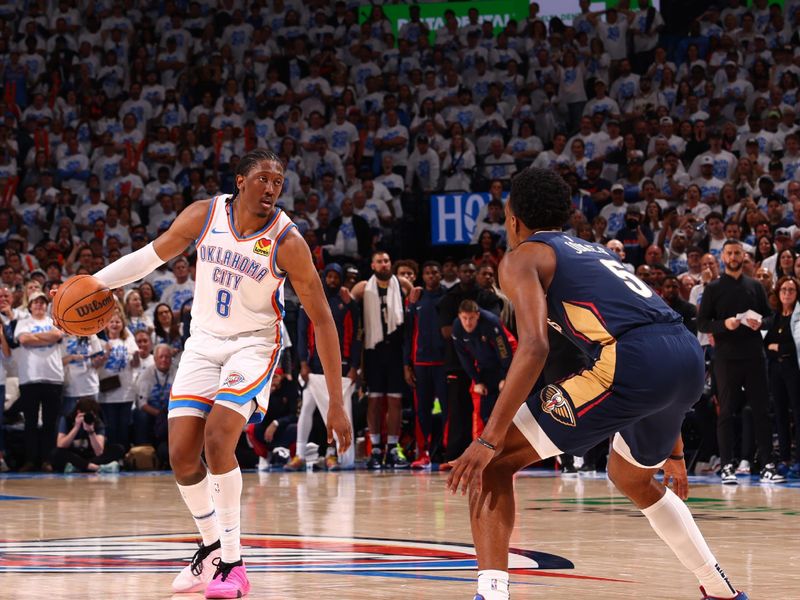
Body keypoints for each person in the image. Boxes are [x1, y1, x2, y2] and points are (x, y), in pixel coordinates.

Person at [445, 167, 748, 600]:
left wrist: (490, 438)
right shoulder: (592, 251)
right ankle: (722, 592)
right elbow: (657, 335)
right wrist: (674, 451)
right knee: (631, 476)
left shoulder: (521, 258)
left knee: (494, 464)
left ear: (512, 219)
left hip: (635, 359)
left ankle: (490, 595)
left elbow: (533, 346)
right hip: (685, 357)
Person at [83, 149, 351, 598]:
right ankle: (209, 549)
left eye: (278, 182)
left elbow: (323, 320)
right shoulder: (206, 214)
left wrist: (337, 405)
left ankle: (233, 562)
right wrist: (92, 284)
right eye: (263, 178)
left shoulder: (288, 242)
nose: (271, 188)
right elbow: (149, 257)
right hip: (204, 343)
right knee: (183, 457)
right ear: (241, 181)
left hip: (253, 346)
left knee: (219, 438)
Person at [697, 240, 784, 485]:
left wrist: (761, 323)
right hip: (726, 358)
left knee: (762, 412)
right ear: (723, 256)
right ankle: (727, 466)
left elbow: (770, 318)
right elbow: (702, 323)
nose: (734, 257)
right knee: (726, 412)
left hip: (754, 356)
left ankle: (767, 464)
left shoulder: (755, 286)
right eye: (729, 253)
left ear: (743, 256)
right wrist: (724, 324)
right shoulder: (714, 288)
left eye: (737, 253)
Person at [286, 263, 360, 471]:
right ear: (323, 277)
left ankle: (336, 455)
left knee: (340, 413)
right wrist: (302, 363)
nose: (333, 281)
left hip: (342, 369)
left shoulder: (347, 303)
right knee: (306, 410)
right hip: (314, 366)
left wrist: (355, 366)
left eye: (337, 277)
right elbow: (301, 334)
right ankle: (299, 455)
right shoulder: (310, 299)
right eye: (330, 277)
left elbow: (356, 336)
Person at [348, 251, 412, 469]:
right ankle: (375, 447)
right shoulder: (363, 287)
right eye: (380, 261)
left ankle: (392, 447)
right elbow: (347, 302)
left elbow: (414, 300)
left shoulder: (402, 284)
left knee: (395, 401)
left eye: (387, 260)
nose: (384, 264)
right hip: (372, 350)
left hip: (396, 349)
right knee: (374, 401)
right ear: (373, 265)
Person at [404, 261, 448, 468]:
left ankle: (447, 451)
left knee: (447, 409)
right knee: (422, 410)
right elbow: (408, 334)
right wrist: (407, 364)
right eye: (428, 272)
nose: (431, 276)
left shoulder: (448, 297)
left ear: (440, 275)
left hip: (444, 363)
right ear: (423, 275)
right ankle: (424, 452)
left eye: (435, 272)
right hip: (420, 363)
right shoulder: (416, 299)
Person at [15, 292, 65, 472]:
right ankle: (30, 460)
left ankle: (47, 460)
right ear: (29, 305)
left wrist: (36, 338)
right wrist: (48, 336)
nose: (39, 305)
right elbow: (23, 339)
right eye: (35, 302)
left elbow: (57, 336)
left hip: (53, 378)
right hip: (30, 378)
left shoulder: (54, 320)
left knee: (50, 423)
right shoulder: (23, 322)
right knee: (30, 422)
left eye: (42, 302)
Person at [452, 300, 516, 431]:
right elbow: (464, 358)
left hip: (503, 363)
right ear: (459, 316)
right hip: (483, 366)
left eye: (471, 318)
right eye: (464, 318)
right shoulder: (457, 327)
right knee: (483, 408)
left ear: (477, 315)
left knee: (506, 405)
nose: (468, 323)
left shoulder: (491, 322)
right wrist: (477, 381)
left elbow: (504, 351)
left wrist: (506, 377)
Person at [51, 397, 125, 473]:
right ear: (79, 412)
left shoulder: (97, 422)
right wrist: (76, 427)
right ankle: (94, 467)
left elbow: (99, 452)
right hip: (74, 454)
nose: (90, 417)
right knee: (56, 453)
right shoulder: (67, 419)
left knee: (119, 448)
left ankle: (78, 467)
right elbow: (61, 445)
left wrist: (91, 432)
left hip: (90, 455)